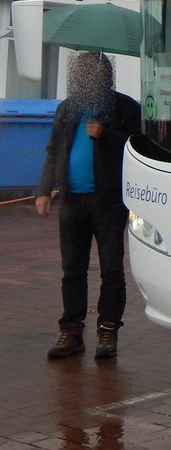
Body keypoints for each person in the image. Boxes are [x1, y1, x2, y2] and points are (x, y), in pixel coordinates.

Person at [35, 51, 140, 360]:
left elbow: (137, 146)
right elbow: (53, 150)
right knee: (72, 269)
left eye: (94, 73)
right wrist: (44, 191)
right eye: (82, 73)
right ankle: (71, 330)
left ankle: (108, 329)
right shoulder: (67, 109)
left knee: (112, 269)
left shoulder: (124, 108)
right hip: (71, 201)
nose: (88, 78)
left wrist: (105, 134)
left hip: (109, 203)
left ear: (106, 76)